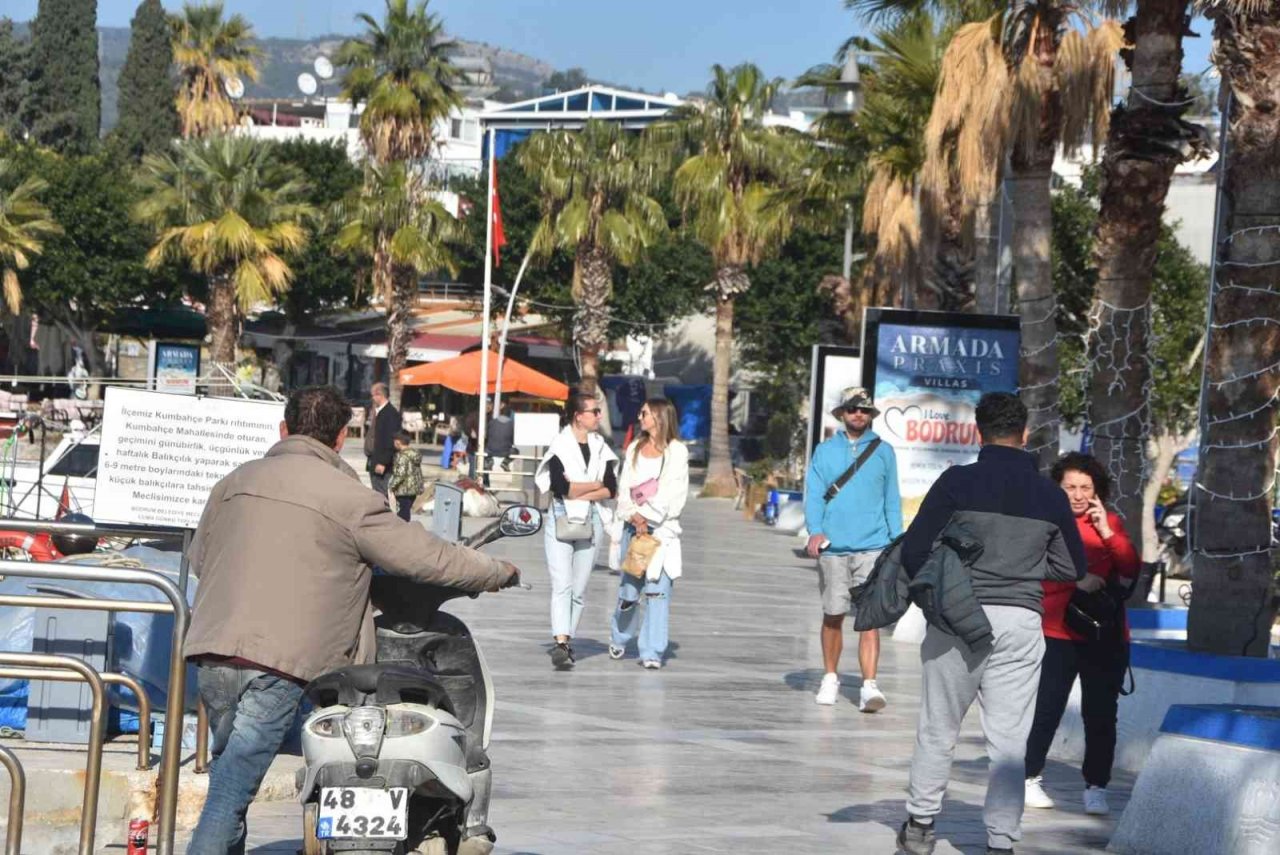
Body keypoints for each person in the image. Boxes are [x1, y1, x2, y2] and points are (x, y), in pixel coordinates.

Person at [183, 385, 519, 855]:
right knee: (230, 791)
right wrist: (496, 572)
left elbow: (199, 557)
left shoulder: (235, 481)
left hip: (213, 651)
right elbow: (426, 556)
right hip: (280, 661)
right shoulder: (348, 497)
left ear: (284, 429)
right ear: (342, 438)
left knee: (229, 772)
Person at [896, 392, 1087, 855]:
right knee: (1009, 740)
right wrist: (1020, 572)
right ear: (1024, 435)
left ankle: (920, 827)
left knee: (938, 726)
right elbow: (1072, 567)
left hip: (958, 619)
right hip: (1021, 622)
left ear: (979, 433)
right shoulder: (1049, 494)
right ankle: (1001, 842)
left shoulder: (956, 483)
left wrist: (946, 589)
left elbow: (914, 550)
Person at [1024, 452, 1139, 817]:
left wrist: (1106, 531)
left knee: (1101, 714)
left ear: (1097, 491)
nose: (1077, 494)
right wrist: (1076, 580)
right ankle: (1029, 777)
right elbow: (1033, 574)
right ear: (1057, 488)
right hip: (1056, 631)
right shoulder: (1044, 523)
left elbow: (1130, 567)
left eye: (1085, 488)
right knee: (1046, 709)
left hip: (1104, 636)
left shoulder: (1111, 523)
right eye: (1070, 487)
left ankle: (1096, 786)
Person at [803, 386, 901, 710]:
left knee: (869, 618)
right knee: (833, 614)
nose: (858, 414)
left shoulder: (884, 452)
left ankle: (869, 686)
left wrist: (896, 543)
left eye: (864, 410)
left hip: (873, 546)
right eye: (852, 409)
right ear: (842, 413)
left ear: (871, 415)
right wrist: (815, 531)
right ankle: (830, 677)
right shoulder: (824, 451)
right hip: (833, 547)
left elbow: (892, 500)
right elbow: (814, 494)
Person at [534, 388, 617, 670]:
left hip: (592, 521)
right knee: (562, 584)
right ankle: (561, 643)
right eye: (594, 411)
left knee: (579, 589)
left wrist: (580, 490)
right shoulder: (560, 446)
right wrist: (594, 485)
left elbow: (611, 488)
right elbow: (559, 487)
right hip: (561, 518)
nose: (598, 416)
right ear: (578, 416)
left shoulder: (600, 446)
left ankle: (567, 638)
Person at [608, 398, 690, 669]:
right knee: (630, 592)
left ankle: (652, 650)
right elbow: (624, 488)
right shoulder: (634, 448)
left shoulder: (677, 452)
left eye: (645, 413)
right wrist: (634, 515)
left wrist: (649, 517)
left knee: (657, 593)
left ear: (659, 417)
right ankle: (619, 636)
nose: (640, 416)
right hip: (635, 529)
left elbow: (674, 493)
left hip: (662, 533)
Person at [363, 382, 400, 498]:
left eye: (373, 395)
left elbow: (391, 440)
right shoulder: (380, 411)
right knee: (377, 491)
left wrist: (383, 462)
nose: (372, 398)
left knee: (382, 494)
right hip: (374, 458)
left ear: (379, 395)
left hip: (382, 462)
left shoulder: (390, 413)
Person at [387, 431, 426, 522]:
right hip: (413, 489)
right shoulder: (414, 454)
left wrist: (392, 486)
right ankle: (405, 527)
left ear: (398, 442)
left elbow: (400, 474)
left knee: (402, 514)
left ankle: (403, 530)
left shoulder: (401, 456)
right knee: (406, 510)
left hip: (403, 490)